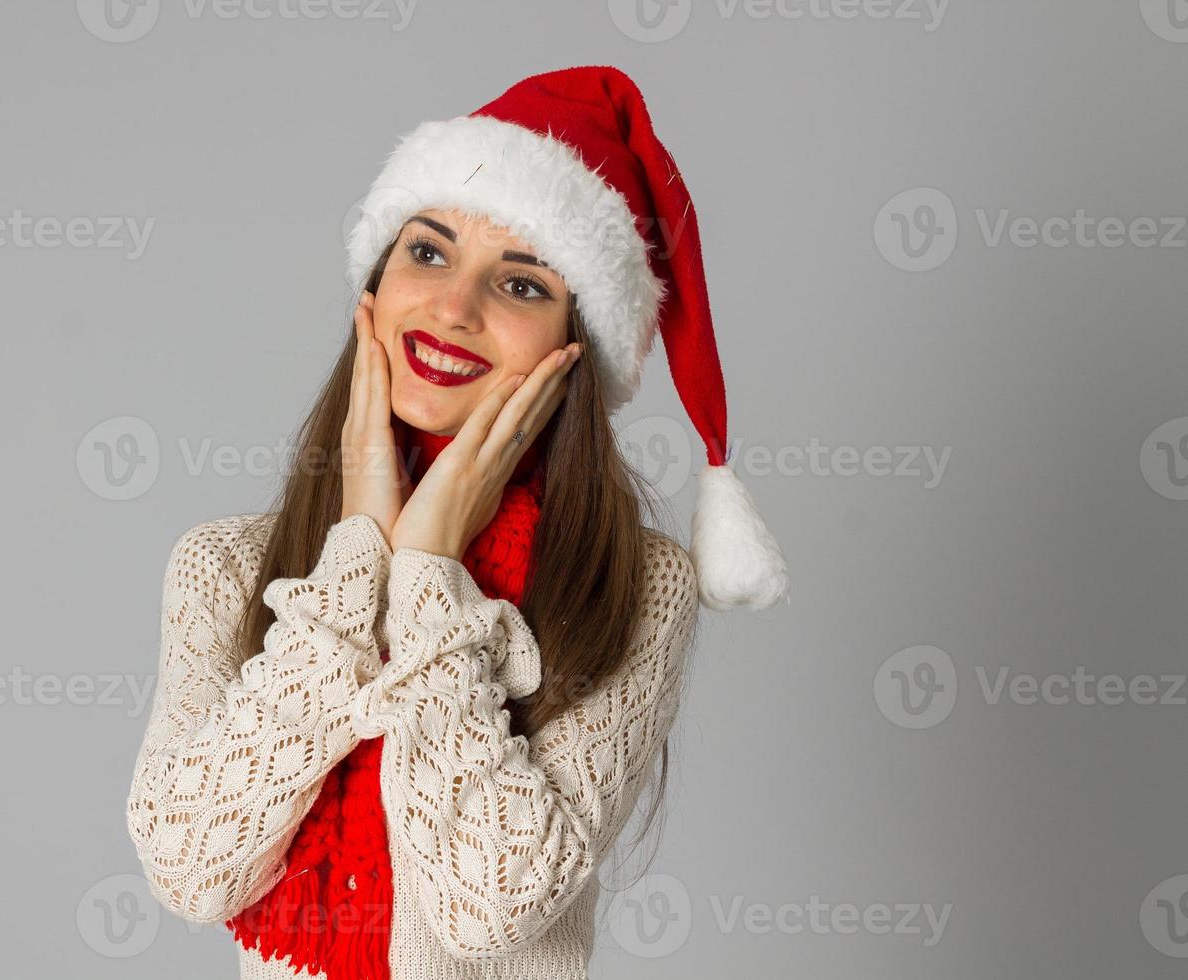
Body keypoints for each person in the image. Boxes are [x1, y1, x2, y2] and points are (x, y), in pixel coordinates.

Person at [125, 64, 788, 980]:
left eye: (520, 285)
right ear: (377, 284)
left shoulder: (636, 586)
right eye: (428, 254)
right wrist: (360, 559)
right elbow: (192, 868)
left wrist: (428, 567)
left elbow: (491, 905)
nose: (452, 307)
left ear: (575, 348)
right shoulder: (226, 567)